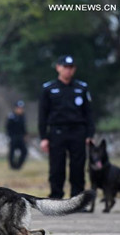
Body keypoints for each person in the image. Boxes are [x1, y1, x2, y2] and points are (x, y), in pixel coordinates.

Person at [38, 55, 95, 199]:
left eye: (71, 68)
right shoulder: (48, 89)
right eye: (65, 67)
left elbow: (89, 113)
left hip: (78, 132)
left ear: (74, 69)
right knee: (57, 167)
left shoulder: (81, 88)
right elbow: (42, 115)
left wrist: (89, 134)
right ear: (58, 68)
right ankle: (56, 198)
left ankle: (77, 199)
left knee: (78, 167)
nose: (68, 71)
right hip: (57, 132)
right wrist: (44, 137)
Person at [5, 100, 28, 170]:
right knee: (12, 152)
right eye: (18, 108)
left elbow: (24, 127)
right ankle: (12, 166)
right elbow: (8, 127)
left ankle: (19, 166)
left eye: (21, 108)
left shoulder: (23, 116)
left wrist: (25, 135)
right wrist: (10, 136)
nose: (20, 110)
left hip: (21, 137)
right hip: (13, 137)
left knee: (24, 151)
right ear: (15, 108)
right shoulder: (11, 116)